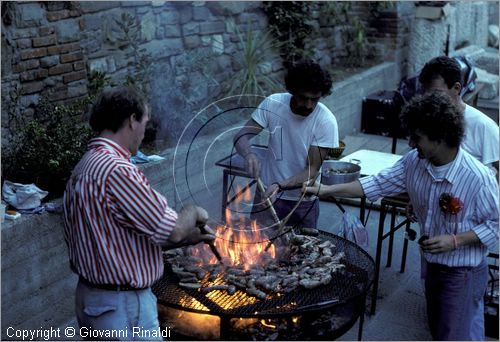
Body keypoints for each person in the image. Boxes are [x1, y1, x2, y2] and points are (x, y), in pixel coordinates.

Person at [304, 92, 498, 340]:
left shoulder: (477, 177)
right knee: (444, 330)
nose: (411, 143)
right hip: (431, 265)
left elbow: (496, 225)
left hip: (463, 272)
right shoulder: (414, 162)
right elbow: (375, 185)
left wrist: (455, 240)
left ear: (439, 136)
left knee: (456, 334)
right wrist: (326, 189)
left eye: (417, 137)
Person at [63, 87, 215, 340]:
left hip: (94, 299)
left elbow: (115, 240)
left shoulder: (85, 165)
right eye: (144, 122)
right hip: (122, 306)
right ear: (132, 120)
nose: (145, 132)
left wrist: (192, 238)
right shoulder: (117, 169)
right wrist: (193, 210)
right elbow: (176, 230)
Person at [233, 59, 339, 234]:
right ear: (292, 91)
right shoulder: (273, 104)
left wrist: (280, 185)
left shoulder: (326, 121)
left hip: (302, 202)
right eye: (303, 98)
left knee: (301, 255)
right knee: (258, 251)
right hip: (267, 195)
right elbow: (241, 136)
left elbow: (311, 170)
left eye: (315, 99)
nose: (309, 105)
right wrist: (249, 154)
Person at [419, 55, 499, 174]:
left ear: (456, 88)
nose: (430, 99)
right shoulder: (426, 119)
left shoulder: (484, 126)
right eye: (425, 93)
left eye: (436, 93)